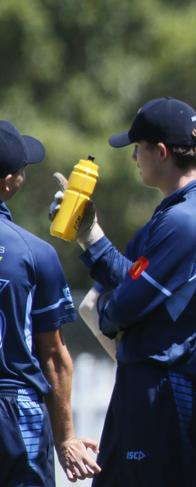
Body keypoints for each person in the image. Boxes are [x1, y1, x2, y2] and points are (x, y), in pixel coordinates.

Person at [55, 97, 196, 486]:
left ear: (161, 152)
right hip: (158, 383)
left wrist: (108, 314)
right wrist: (92, 238)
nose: (135, 157)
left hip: (163, 386)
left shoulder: (186, 218)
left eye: (138, 148)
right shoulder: (184, 210)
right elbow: (137, 282)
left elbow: (127, 304)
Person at [0, 120, 100, 485]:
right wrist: (66, 438)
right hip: (13, 410)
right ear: (9, 182)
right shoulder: (34, 253)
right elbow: (54, 355)